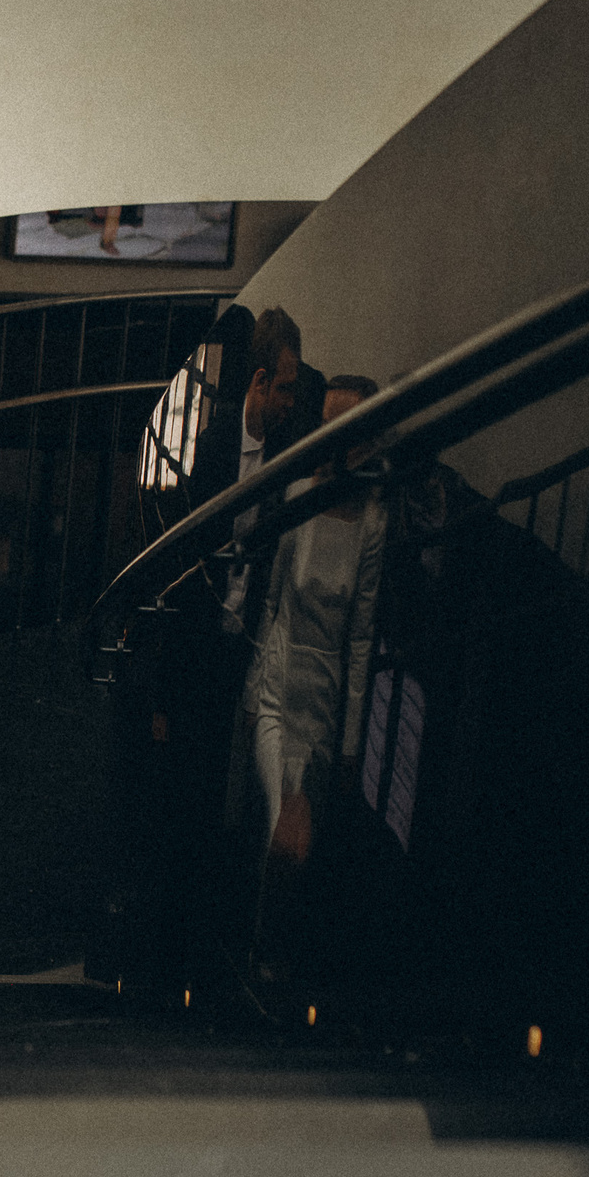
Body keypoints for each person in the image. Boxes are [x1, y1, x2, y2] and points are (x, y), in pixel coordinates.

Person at [100, 304, 309, 998]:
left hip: (249, 651)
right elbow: (166, 578)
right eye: (281, 387)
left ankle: (211, 953)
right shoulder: (204, 452)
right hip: (193, 656)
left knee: (232, 809)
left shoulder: (289, 454)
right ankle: (161, 956)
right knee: (177, 804)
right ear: (256, 382)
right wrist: (159, 693)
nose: (287, 400)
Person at [240, 373, 387, 987]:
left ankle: (275, 957)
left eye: (346, 427)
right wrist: (254, 688)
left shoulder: (374, 524)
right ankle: (260, 959)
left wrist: (351, 743)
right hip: (278, 689)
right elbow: (272, 601)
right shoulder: (299, 493)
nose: (332, 438)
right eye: (325, 422)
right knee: (284, 829)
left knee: (302, 848)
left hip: (325, 708)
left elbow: (360, 642)